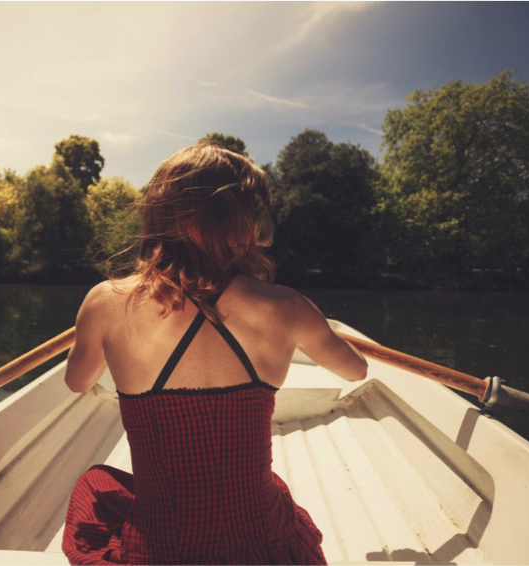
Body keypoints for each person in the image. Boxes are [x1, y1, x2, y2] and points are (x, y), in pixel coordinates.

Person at [61, 141, 367, 565]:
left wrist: (91, 331)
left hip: (160, 550)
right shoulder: (288, 307)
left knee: (97, 484)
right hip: (261, 548)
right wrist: (312, 324)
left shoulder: (105, 302)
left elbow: (77, 382)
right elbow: (355, 370)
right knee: (271, 493)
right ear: (247, 222)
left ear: (158, 214)